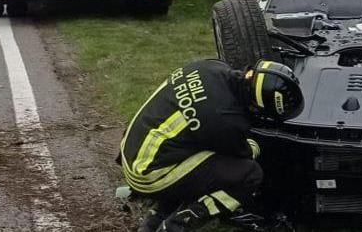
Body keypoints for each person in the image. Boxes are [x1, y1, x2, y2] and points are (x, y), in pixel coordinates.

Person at [120, 59, 303, 232]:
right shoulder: (226, 121)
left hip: (132, 147)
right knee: (248, 174)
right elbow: (245, 154)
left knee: (202, 163)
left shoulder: (212, 67)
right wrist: (256, 143)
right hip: (147, 174)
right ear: (257, 106)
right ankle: (177, 225)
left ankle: (157, 216)